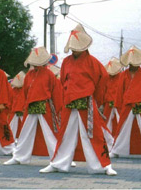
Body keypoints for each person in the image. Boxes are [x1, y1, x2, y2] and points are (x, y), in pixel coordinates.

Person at [39, 24, 117, 176]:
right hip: (69, 101)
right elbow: (62, 83)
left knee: (93, 134)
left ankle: (104, 165)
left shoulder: (93, 62)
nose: (74, 50)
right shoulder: (66, 62)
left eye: (77, 47)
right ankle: (57, 163)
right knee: (64, 134)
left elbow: (102, 82)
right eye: (73, 47)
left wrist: (97, 100)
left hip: (86, 102)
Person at [4, 47, 62, 165]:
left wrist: (57, 108)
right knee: (25, 133)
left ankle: (59, 158)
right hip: (31, 106)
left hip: (45, 105)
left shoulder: (49, 74)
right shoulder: (29, 75)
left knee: (50, 133)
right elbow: (25, 91)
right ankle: (20, 157)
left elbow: (55, 92)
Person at [103, 57, 123, 136]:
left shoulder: (122, 76)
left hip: (119, 102)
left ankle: (120, 137)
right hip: (108, 102)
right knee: (106, 121)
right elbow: (104, 90)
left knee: (121, 120)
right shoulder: (106, 78)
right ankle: (106, 137)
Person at [8, 71, 26, 141]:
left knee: (23, 126)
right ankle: (11, 140)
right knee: (13, 127)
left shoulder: (23, 89)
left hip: (21, 110)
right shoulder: (13, 90)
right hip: (16, 111)